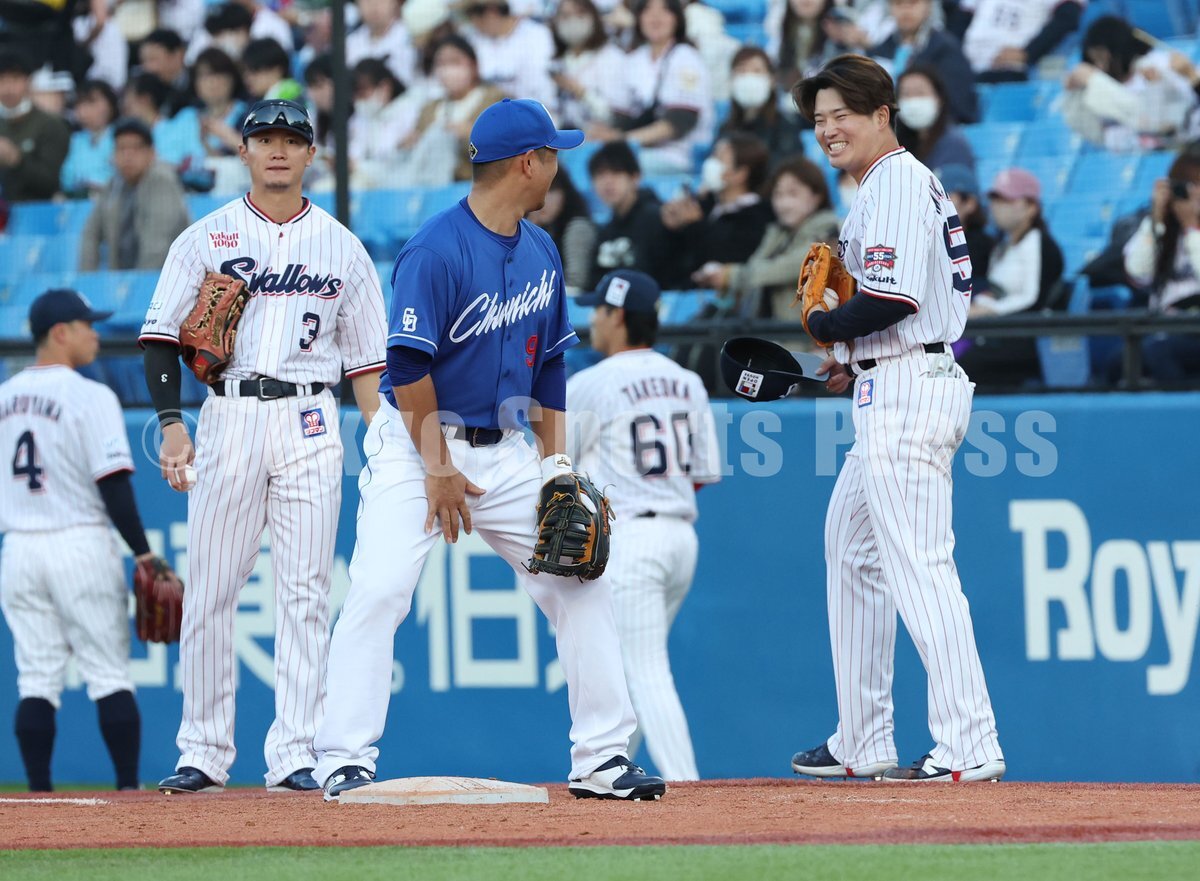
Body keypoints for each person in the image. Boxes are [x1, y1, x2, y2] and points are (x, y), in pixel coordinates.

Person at [311, 98, 666, 804]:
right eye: (554, 153)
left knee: (580, 580)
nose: (561, 166)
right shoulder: (436, 248)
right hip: (418, 446)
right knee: (379, 588)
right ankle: (343, 758)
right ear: (528, 163)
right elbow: (405, 368)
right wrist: (438, 466)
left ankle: (601, 757)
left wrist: (557, 465)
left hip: (506, 451)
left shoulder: (542, 248)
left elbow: (554, 368)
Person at [138, 99, 387, 794]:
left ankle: (296, 755)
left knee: (305, 593)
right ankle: (204, 752)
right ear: (243, 151)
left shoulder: (343, 247)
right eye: (264, 138)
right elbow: (160, 338)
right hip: (230, 415)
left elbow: (367, 364)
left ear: (312, 154)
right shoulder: (204, 237)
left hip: (311, 416)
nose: (277, 149)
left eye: (291, 139)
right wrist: (172, 421)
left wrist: (383, 438)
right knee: (213, 589)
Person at [788, 54, 1005, 782]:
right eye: (818, 120)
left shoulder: (897, 180)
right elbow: (890, 304)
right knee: (849, 545)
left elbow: (895, 300)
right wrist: (848, 352)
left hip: (912, 383)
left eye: (841, 115)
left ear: (882, 113)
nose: (827, 130)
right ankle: (863, 737)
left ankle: (970, 741)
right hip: (892, 378)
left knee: (919, 566)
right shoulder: (884, 187)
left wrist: (826, 325)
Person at [566, 268, 720, 781]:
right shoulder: (687, 381)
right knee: (635, 669)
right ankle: (603, 766)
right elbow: (701, 475)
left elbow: (554, 466)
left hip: (632, 540)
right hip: (680, 538)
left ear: (620, 317)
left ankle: (687, 786)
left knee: (646, 671)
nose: (593, 320)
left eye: (600, 311)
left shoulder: (591, 382)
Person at [0, 289, 153, 792]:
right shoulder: (90, 395)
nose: (95, 333)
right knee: (108, 674)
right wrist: (143, 552)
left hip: (19, 547)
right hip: (78, 543)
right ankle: (129, 789)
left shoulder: (3, 397)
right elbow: (113, 484)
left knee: (36, 678)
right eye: (87, 325)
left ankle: (38, 795)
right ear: (59, 333)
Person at [695, 153, 839, 318]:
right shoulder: (777, 232)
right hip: (765, 332)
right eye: (778, 194)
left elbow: (788, 268)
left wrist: (729, 275)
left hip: (799, 338)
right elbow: (755, 266)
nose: (783, 203)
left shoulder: (830, 229)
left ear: (817, 196)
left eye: (793, 194)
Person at [958, 167, 1064, 387]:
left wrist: (989, 311)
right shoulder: (1003, 246)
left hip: (1024, 337)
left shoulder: (1037, 241)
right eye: (996, 199)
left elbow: (1033, 298)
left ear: (1031, 207)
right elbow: (996, 291)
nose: (998, 207)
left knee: (963, 366)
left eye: (1008, 200)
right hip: (996, 331)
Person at [591, 0, 714, 175]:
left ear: (677, 18)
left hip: (677, 153)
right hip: (635, 148)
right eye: (648, 10)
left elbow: (678, 123)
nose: (655, 17)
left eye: (664, 10)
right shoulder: (634, 60)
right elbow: (622, 116)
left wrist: (622, 140)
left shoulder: (687, 58)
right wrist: (604, 132)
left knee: (611, 169)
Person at [1120, 153, 1200, 382]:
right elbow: (1139, 273)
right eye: (1186, 187)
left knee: (1160, 352)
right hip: (1165, 328)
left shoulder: (1192, 232)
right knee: (1117, 363)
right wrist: (1156, 221)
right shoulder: (1164, 231)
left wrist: (1192, 229)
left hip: (1193, 328)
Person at [1062, 16, 1196, 152]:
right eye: (1094, 60)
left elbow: (1160, 123)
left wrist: (1095, 81)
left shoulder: (1156, 66)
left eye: (1102, 58)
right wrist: (1073, 94)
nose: (1100, 66)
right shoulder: (1097, 88)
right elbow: (1095, 134)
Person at [661, 131, 773, 289]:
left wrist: (694, 226)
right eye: (713, 155)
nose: (711, 163)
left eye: (719, 158)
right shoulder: (705, 206)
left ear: (740, 174)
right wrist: (672, 227)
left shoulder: (759, 216)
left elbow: (729, 258)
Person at [79, 118, 190, 271]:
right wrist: (86, 282)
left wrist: (138, 286)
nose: (128, 156)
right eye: (121, 148)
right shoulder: (113, 185)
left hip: (165, 280)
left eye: (136, 148)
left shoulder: (162, 181)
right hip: (124, 281)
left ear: (152, 153)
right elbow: (90, 235)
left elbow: (157, 246)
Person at [400, 35, 505, 185]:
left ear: (473, 65)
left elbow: (503, 145)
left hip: (477, 185)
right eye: (441, 64)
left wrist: (471, 134)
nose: (447, 70)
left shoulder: (494, 100)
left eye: (455, 62)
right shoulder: (429, 109)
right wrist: (410, 143)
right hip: (432, 187)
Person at [869, 0, 978, 124]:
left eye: (913, 3)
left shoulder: (947, 50)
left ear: (928, 6)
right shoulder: (878, 53)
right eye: (898, 3)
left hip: (934, 131)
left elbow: (958, 104)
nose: (905, 10)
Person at [587, 140, 672, 289]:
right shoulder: (605, 231)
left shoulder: (657, 218)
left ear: (635, 177)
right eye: (600, 175)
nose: (607, 182)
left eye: (616, 172)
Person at [0, 48, 68, 201]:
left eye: (15, 79)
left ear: (28, 81)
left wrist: (16, 159)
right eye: (2, 80)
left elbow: (52, 181)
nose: (8, 88)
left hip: (39, 212)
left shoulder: (50, 125)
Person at [959, 0, 1084, 83]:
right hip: (965, 64)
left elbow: (1068, 17)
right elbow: (960, 19)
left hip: (1009, 69)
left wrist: (1027, 54)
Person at [719, 45, 804, 165]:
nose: (749, 78)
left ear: (772, 80)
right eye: (741, 71)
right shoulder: (726, 129)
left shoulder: (785, 128)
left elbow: (787, 171)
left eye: (757, 71)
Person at [549, 0, 627, 131]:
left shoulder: (613, 57)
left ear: (594, 17)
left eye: (580, 13)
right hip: (561, 141)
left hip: (600, 142)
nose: (573, 20)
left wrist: (581, 92)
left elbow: (616, 116)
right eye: (565, 16)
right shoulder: (554, 62)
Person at [465, 0, 556, 110]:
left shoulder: (536, 33)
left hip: (534, 112)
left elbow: (537, 83)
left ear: (491, 11)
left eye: (470, 13)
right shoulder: (474, 37)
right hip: (491, 113)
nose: (470, 21)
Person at [894, 65, 974, 175]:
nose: (913, 101)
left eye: (920, 93)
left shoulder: (953, 144)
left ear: (939, 99)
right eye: (906, 94)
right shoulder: (896, 144)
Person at [528, 166, 597, 293]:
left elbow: (576, 284)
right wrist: (529, 231)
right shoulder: (535, 228)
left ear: (565, 195)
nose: (543, 200)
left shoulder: (577, 228)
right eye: (536, 191)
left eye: (551, 191)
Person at [61, 79, 118, 197]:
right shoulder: (76, 140)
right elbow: (66, 178)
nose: (84, 109)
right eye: (80, 103)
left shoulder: (121, 137)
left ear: (110, 104)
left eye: (92, 102)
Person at [938, 163, 992, 284]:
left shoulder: (981, 248)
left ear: (970, 203)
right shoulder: (921, 237)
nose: (934, 203)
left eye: (943, 196)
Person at [346, 0, 416, 86]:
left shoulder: (411, 36)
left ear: (394, 2)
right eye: (367, 1)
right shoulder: (350, 43)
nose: (374, 5)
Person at [138, 28, 195, 118]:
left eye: (153, 59)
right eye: (143, 61)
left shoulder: (198, 81)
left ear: (177, 55)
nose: (147, 68)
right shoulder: (145, 90)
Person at [242, 37, 302, 102]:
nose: (248, 78)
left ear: (276, 70)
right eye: (246, 72)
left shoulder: (290, 101)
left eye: (254, 71)